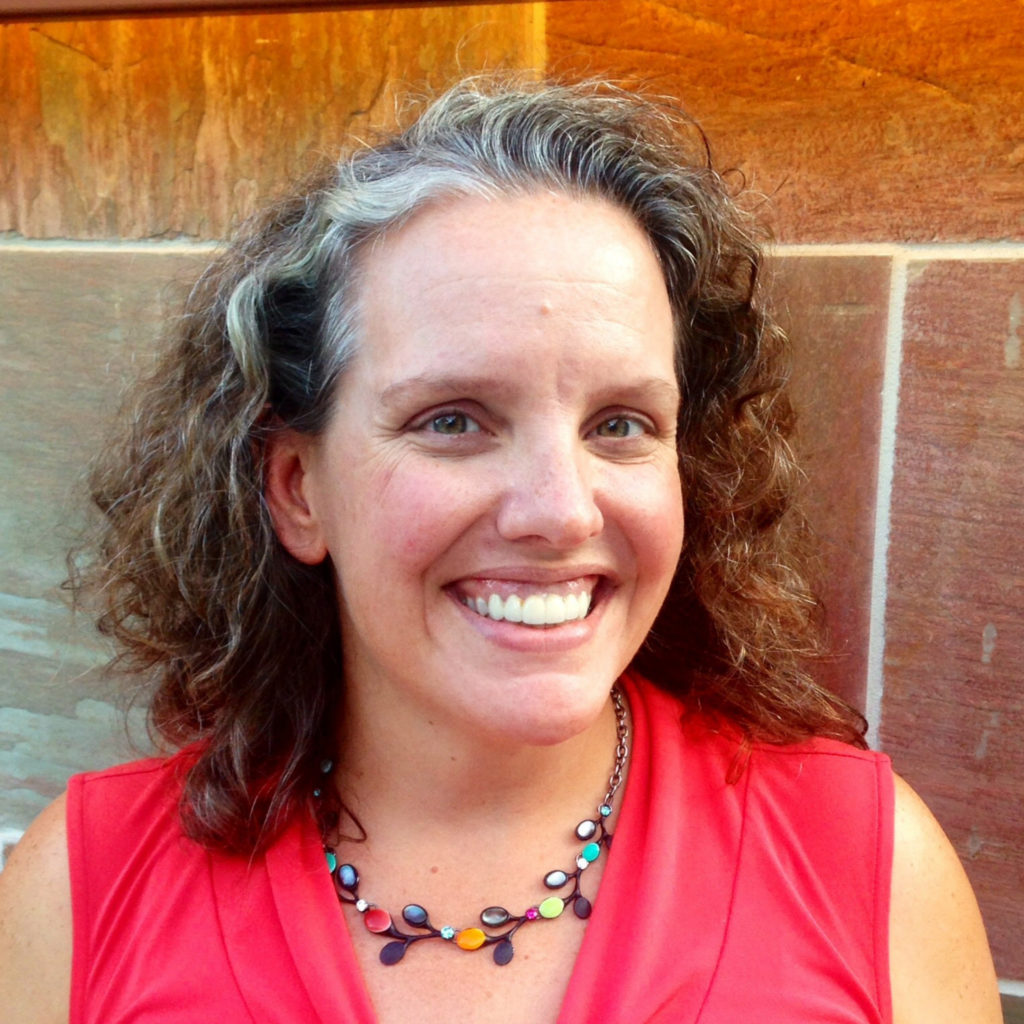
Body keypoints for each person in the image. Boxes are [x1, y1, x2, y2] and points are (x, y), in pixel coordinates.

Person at [0, 77, 1001, 1024]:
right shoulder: (79, 899)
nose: (561, 511)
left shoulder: (865, 870)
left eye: (618, 423)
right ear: (299, 489)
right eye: (453, 420)